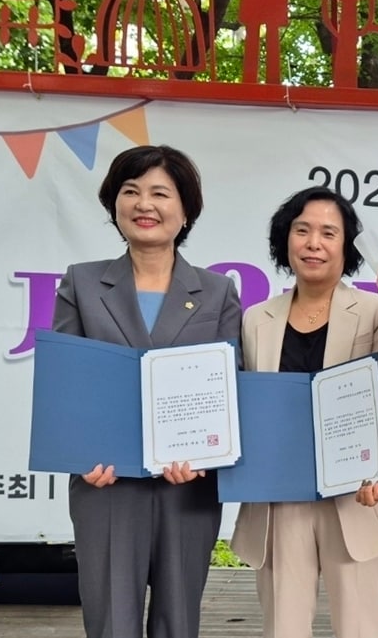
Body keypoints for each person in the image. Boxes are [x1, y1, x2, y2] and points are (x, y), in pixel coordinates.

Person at [52, 144, 243, 638]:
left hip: (188, 485)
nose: (144, 204)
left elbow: (230, 384)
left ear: (185, 211)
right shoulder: (83, 283)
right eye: (131, 191)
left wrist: (204, 453)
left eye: (161, 193)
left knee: (178, 622)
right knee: (111, 621)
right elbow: (68, 380)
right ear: (114, 204)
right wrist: (82, 454)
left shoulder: (218, 291)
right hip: (106, 482)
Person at [230, 186, 378, 638]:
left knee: (360, 628)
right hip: (279, 499)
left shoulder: (377, 313)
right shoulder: (255, 318)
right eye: (302, 230)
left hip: (355, 494)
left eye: (328, 233)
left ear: (346, 245)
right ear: (284, 240)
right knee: (283, 628)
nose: (313, 243)